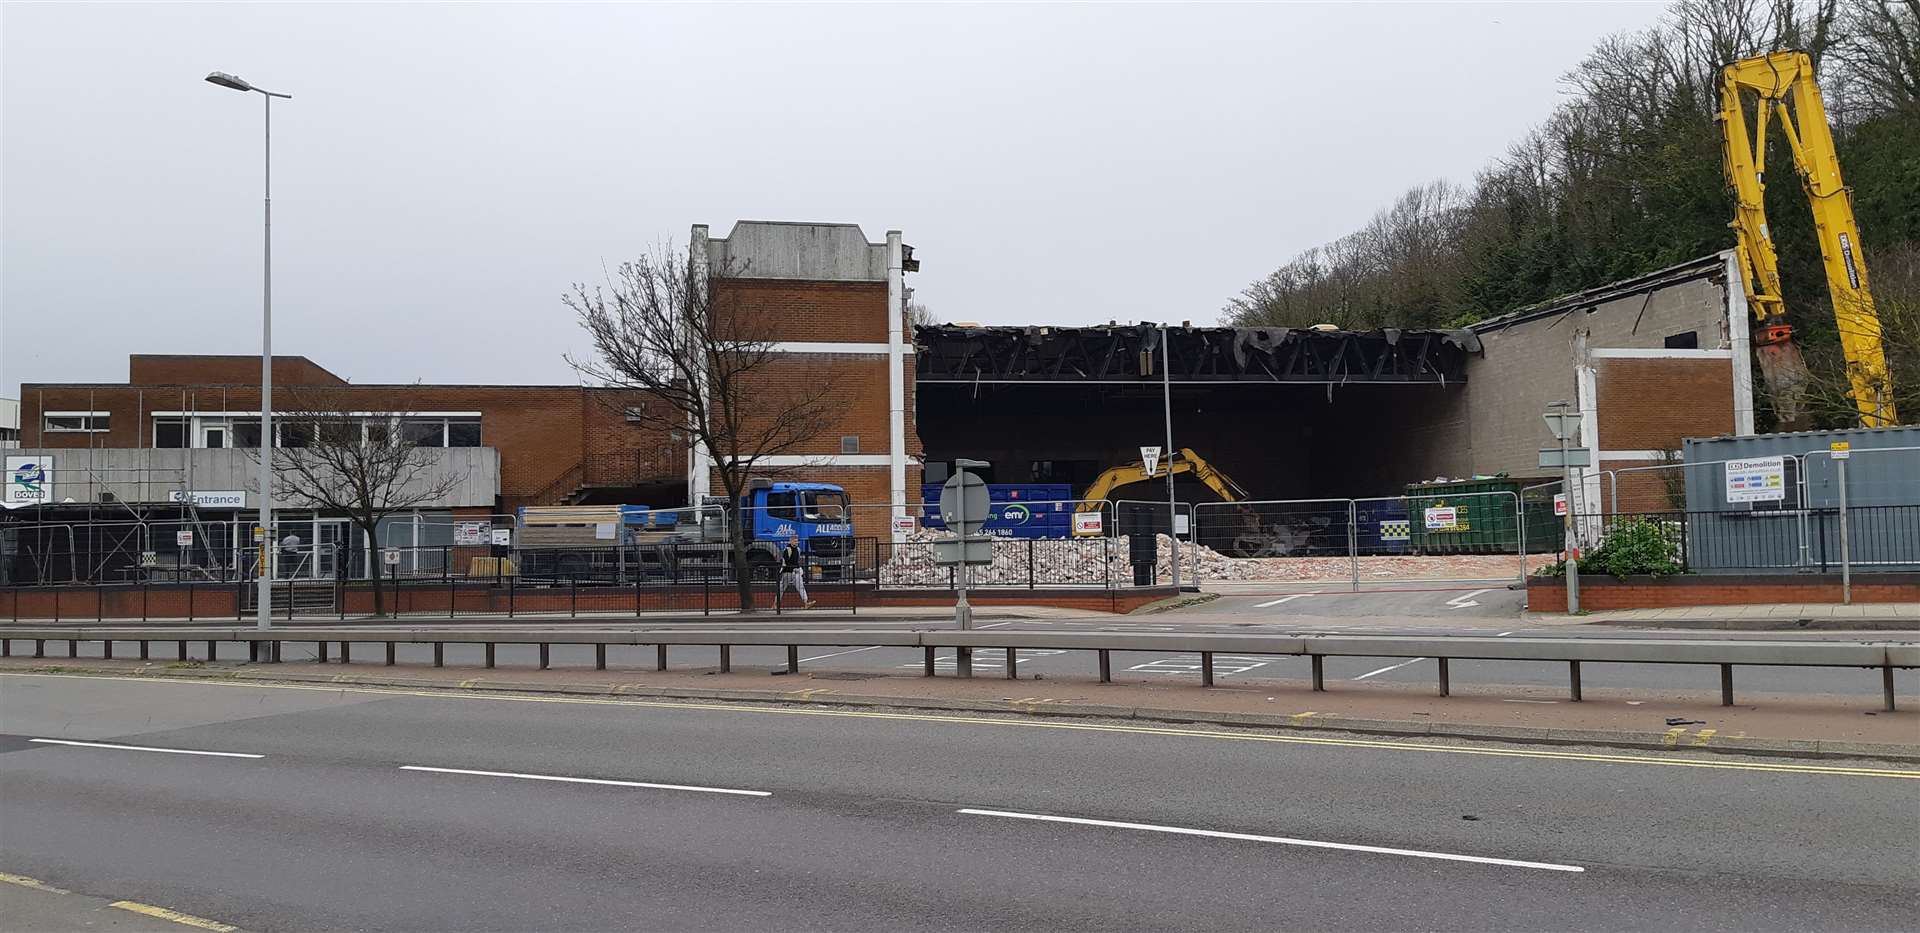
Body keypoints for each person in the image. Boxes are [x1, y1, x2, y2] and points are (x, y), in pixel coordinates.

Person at [777, 534, 814, 608]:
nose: (796, 543)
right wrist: (794, 567)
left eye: (797, 541)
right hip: (787, 572)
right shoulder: (787, 550)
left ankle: (806, 603)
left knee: (801, 587)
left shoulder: (798, 549)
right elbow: (786, 562)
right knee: (781, 588)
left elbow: (797, 561)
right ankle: (775, 604)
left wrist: (798, 568)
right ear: (790, 541)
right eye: (794, 541)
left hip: (796, 572)